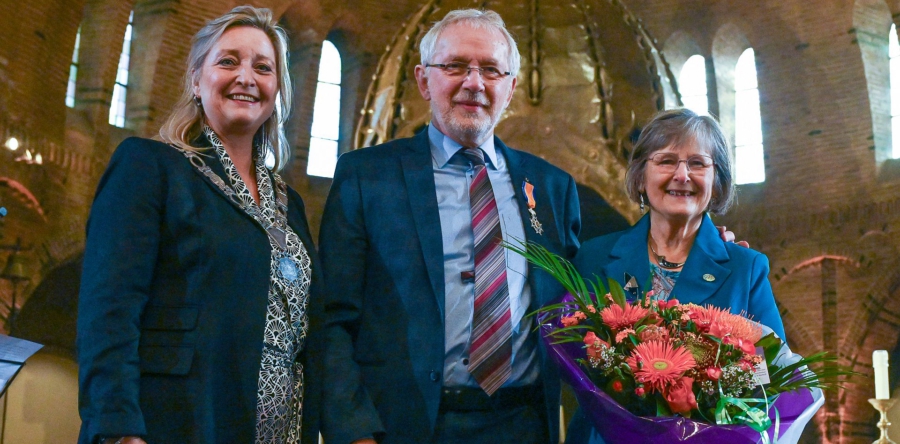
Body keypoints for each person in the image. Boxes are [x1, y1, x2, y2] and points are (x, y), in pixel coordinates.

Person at [318, 9, 581, 444]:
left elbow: (587, 300)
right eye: (455, 66)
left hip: (523, 424)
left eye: (491, 70)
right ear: (424, 80)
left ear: (510, 88)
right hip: (405, 425)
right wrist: (354, 431)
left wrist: (693, 242)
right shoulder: (367, 176)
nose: (474, 83)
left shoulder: (553, 187)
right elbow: (332, 317)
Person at [76, 6, 323, 444]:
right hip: (178, 421)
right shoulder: (150, 167)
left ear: (277, 90)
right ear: (195, 79)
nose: (246, 77)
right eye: (228, 61)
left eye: (263, 68)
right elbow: (108, 311)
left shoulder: (291, 203)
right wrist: (117, 428)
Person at [564, 108, 786, 443]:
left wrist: (718, 389)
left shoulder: (746, 268)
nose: (682, 174)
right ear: (641, 176)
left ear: (717, 180)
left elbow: (772, 374)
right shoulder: (594, 258)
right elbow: (573, 362)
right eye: (666, 161)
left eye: (698, 163)